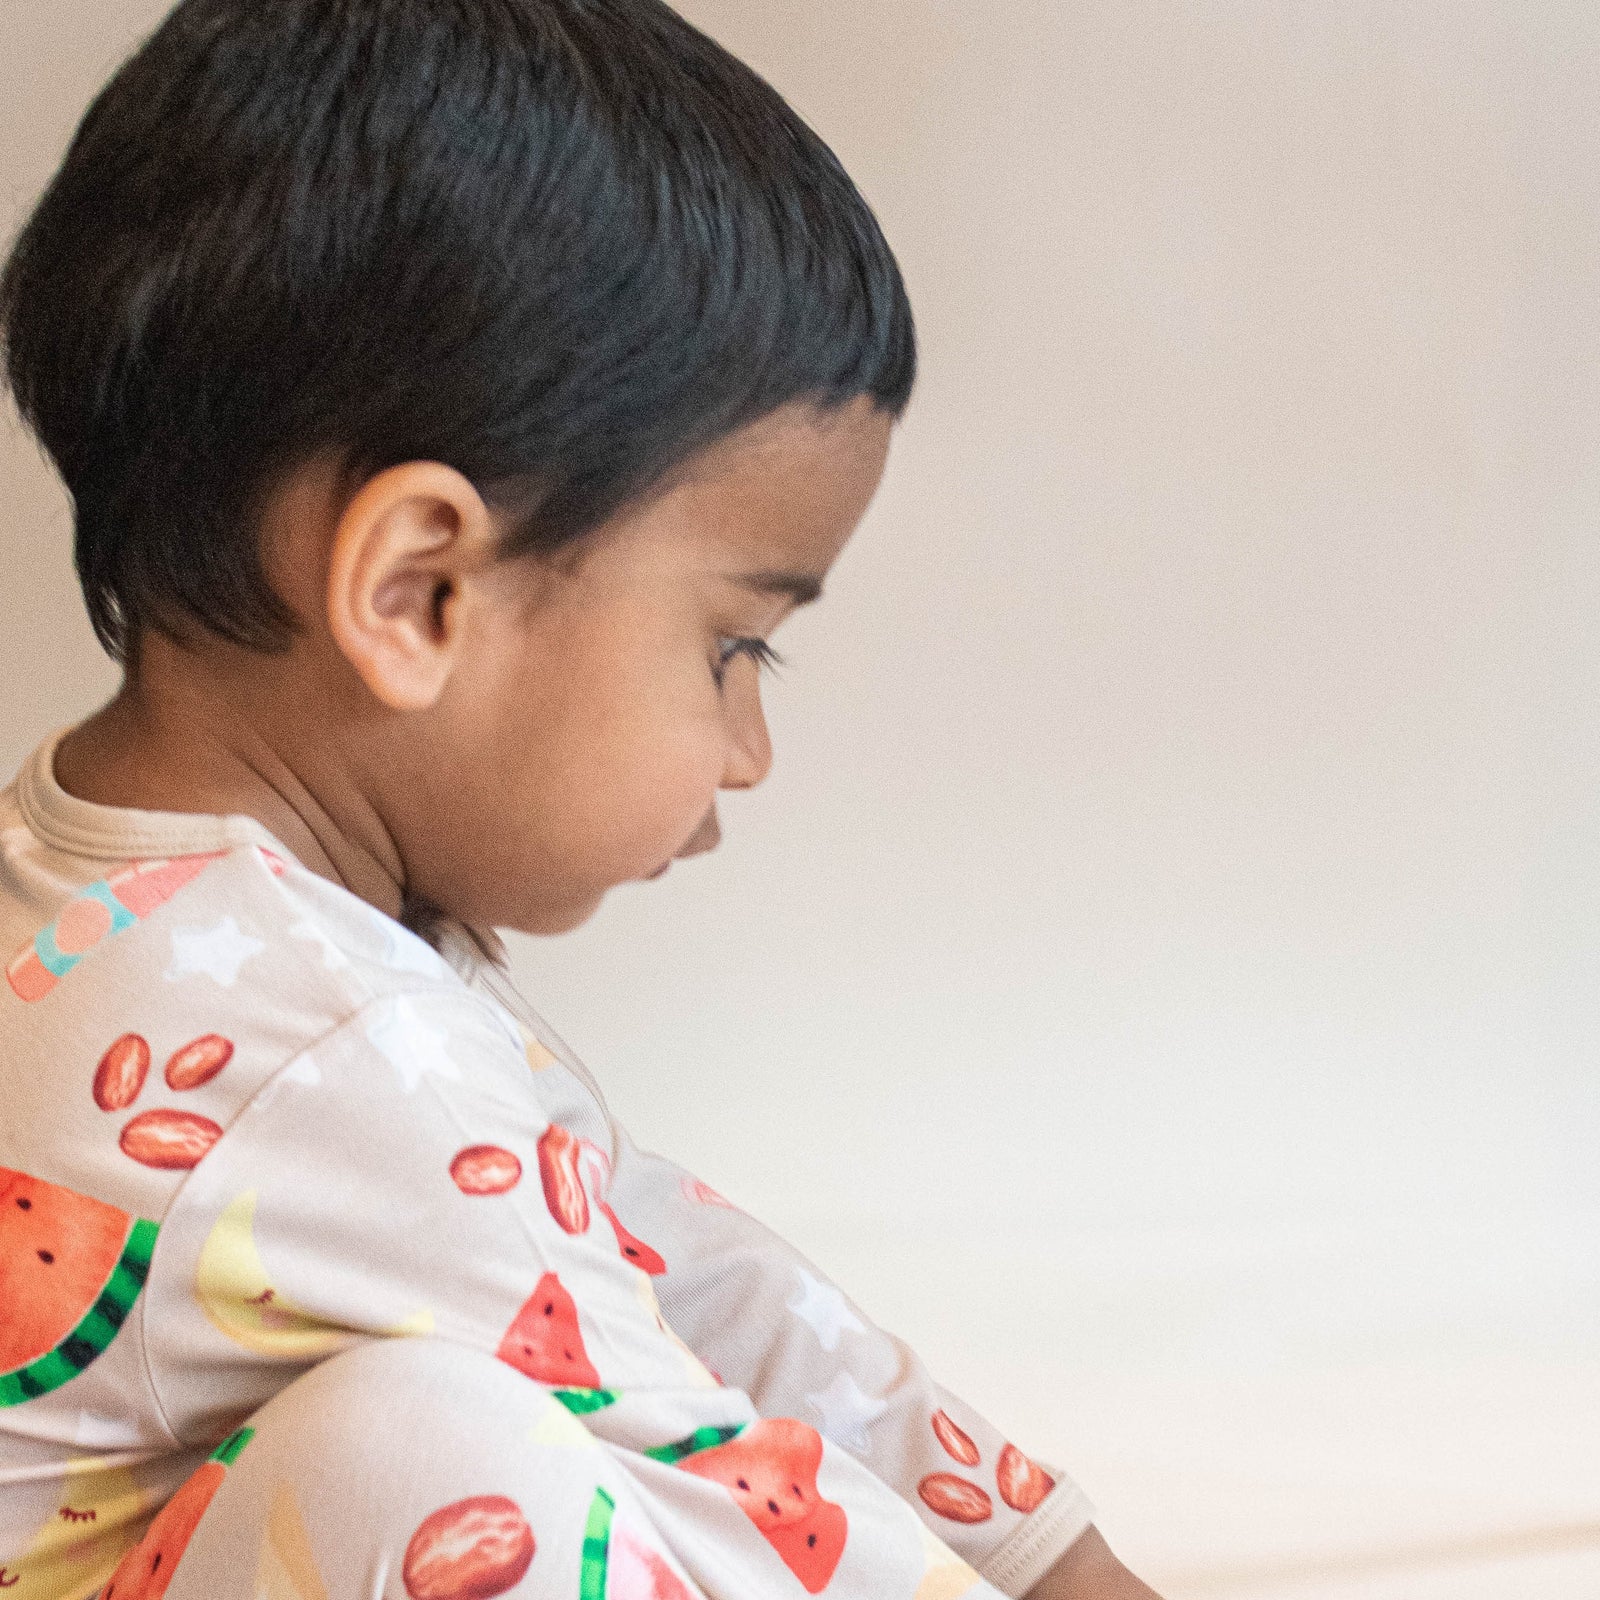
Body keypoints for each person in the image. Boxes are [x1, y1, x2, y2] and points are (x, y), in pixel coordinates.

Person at [0, 3, 1162, 1598]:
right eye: (732, 646)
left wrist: (1051, 1559)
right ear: (419, 593)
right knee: (428, 1456)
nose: (748, 747)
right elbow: (719, 1497)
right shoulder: (333, 1058)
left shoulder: (158, 912)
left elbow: (676, 1269)